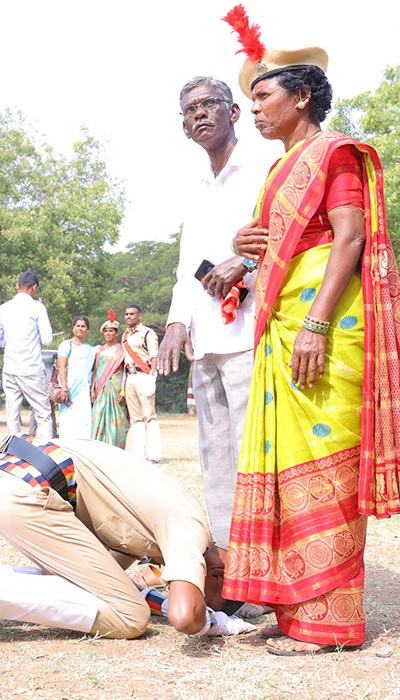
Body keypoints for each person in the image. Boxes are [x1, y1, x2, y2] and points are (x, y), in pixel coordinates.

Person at [220, 6, 400, 655]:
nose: (254, 110)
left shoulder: (334, 154)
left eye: (262, 96)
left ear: (303, 94)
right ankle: (293, 606)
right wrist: (244, 243)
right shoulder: (277, 171)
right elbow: (278, 246)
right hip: (281, 328)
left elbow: (349, 237)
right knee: (290, 471)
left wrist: (316, 324)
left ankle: (329, 623)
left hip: (324, 327)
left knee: (325, 468)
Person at [0, 436, 258, 650]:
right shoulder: (190, 530)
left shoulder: (170, 527)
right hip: (24, 491)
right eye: (207, 593)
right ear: (218, 572)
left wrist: (146, 589)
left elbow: (109, 575)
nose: (186, 587)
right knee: (130, 618)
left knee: (96, 593)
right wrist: (212, 621)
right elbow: (184, 616)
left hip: (9, 477)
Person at [156, 75, 267, 550]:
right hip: (206, 343)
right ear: (183, 127)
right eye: (189, 110)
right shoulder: (196, 185)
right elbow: (187, 268)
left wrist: (244, 263)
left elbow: (289, 241)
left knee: (254, 455)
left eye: (208, 105)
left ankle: (265, 566)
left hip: (252, 334)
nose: (198, 114)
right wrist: (176, 323)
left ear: (234, 112)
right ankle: (233, 565)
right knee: (215, 456)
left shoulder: (267, 168)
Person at [0, 271, 53, 441]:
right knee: (43, 412)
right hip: (31, 367)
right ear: (35, 288)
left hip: (10, 367)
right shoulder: (38, 307)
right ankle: (48, 451)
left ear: (17, 286)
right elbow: (47, 340)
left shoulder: (2, 309)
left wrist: (11, 341)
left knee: (12, 412)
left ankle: (15, 452)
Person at [122, 306, 161, 462]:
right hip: (130, 377)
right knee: (136, 418)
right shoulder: (125, 335)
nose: (129, 317)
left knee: (149, 415)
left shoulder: (147, 333)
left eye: (132, 314)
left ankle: (155, 454)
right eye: (126, 314)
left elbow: (154, 357)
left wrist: (153, 378)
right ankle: (139, 454)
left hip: (144, 375)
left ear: (139, 316)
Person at [90, 311, 129, 448]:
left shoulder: (122, 350)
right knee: (99, 414)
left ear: (116, 333)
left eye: (111, 331)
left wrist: (123, 390)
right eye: (106, 331)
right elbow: (95, 370)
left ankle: (116, 446)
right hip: (101, 389)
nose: (108, 334)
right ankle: (98, 446)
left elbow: (125, 371)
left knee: (117, 417)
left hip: (116, 387)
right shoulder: (99, 350)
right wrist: (92, 389)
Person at [57, 316, 96, 439]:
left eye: (83, 326)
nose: (80, 329)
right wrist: (64, 388)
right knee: (68, 418)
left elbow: (93, 372)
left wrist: (92, 389)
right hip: (68, 389)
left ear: (87, 329)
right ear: (73, 328)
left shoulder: (91, 349)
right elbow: (61, 367)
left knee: (83, 419)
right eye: (77, 326)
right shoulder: (66, 345)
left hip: (84, 390)